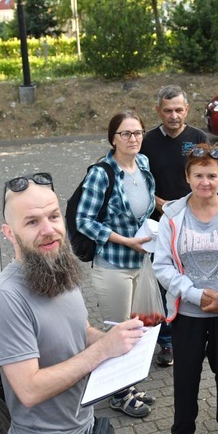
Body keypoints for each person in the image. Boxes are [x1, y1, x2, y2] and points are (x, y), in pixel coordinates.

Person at [0, 173, 147, 434]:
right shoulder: (6, 296)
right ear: (9, 232)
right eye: (32, 222)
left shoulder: (57, 267)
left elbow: (82, 332)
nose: (49, 230)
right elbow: (29, 389)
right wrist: (103, 351)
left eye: (54, 216)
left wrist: (119, 341)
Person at [150, 143, 218, 434]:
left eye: (211, 175)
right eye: (198, 175)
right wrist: (195, 294)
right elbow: (162, 265)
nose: (204, 182)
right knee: (186, 377)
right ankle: (181, 431)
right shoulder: (172, 216)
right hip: (187, 314)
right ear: (187, 176)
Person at [75, 110, 156, 418]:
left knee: (135, 326)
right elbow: (84, 220)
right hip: (112, 264)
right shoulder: (101, 173)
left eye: (137, 133)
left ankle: (128, 386)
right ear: (113, 139)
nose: (133, 139)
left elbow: (142, 207)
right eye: (125, 134)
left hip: (139, 260)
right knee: (117, 330)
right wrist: (125, 240)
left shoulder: (143, 164)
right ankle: (117, 394)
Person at [142, 85, 209, 367]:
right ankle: (167, 342)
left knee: (193, 277)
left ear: (187, 110)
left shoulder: (198, 138)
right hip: (158, 224)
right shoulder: (146, 142)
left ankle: (196, 334)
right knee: (163, 282)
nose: (173, 116)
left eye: (179, 110)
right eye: (168, 110)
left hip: (192, 221)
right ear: (158, 111)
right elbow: (139, 181)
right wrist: (157, 202)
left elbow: (208, 175)